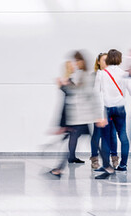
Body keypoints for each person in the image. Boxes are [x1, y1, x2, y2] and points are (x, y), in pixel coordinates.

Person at [49, 52, 106, 177]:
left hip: (81, 116)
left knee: (82, 140)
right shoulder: (79, 76)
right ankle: (107, 166)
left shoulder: (85, 76)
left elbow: (87, 96)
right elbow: (75, 95)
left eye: (76, 61)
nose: (75, 64)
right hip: (78, 116)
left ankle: (60, 168)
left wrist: (97, 116)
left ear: (81, 61)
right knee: (87, 140)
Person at [93, 49, 130, 179]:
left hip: (107, 108)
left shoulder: (101, 73)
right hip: (120, 108)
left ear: (108, 59)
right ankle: (123, 165)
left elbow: (96, 94)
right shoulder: (123, 74)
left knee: (106, 138)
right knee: (123, 136)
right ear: (119, 59)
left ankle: (107, 166)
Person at [90, 53, 116, 169]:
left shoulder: (112, 74)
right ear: (99, 62)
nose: (106, 62)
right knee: (97, 134)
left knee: (112, 134)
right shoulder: (95, 75)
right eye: (104, 60)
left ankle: (114, 158)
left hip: (112, 108)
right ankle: (94, 159)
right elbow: (94, 94)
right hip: (99, 109)